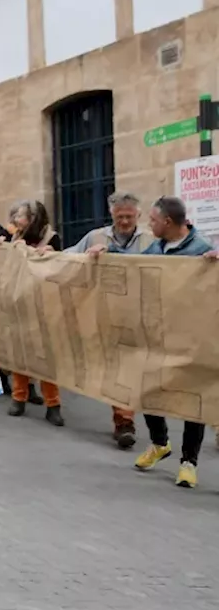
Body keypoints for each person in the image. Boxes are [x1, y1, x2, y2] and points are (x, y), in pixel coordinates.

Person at [118, 196, 219, 488]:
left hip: (191, 337)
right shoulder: (158, 248)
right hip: (159, 334)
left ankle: (189, 463)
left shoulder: (202, 251)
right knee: (147, 386)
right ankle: (160, 443)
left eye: (152, 220)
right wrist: (104, 253)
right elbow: (134, 264)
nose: (149, 225)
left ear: (167, 222)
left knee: (192, 398)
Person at [66, 192, 154, 448]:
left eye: (129, 216)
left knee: (134, 368)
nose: (125, 221)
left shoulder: (150, 239)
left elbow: (177, 260)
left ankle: (130, 420)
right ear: (111, 215)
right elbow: (68, 257)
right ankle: (123, 418)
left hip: (140, 313)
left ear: (138, 214)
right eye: (120, 217)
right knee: (115, 367)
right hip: (105, 313)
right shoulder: (95, 237)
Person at [3, 199, 64, 426]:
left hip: (45, 304)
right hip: (21, 301)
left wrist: (48, 254)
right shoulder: (16, 238)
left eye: (20, 216)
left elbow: (60, 267)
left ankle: (53, 404)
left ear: (32, 219)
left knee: (46, 355)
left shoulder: (52, 238)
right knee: (20, 352)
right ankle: (19, 398)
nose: (16, 220)